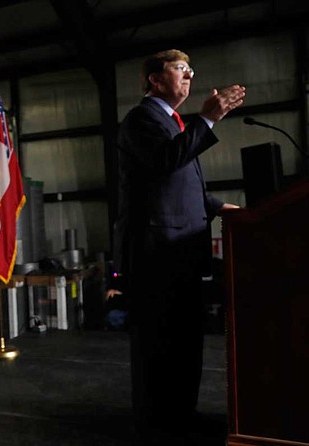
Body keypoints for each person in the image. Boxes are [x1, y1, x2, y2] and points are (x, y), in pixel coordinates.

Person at [113, 49, 245, 445]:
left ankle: (182, 417)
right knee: (158, 347)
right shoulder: (141, 120)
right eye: (179, 70)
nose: (189, 76)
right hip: (156, 255)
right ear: (154, 79)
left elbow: (183, 188)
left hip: (181, 254)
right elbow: (164, 162)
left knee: (185, 344)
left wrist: (224, 207)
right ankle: (155, 426)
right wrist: (207, 118)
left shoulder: (175, 123)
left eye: (191, 70)